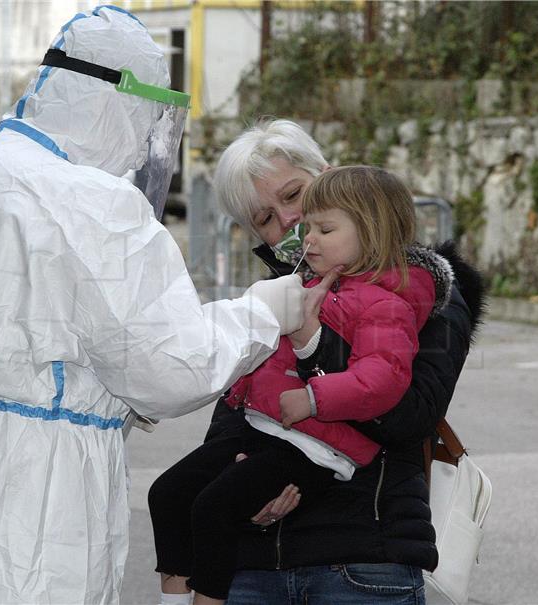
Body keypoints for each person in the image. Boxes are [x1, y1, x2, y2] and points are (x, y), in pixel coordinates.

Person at [0, 8, 307, 605]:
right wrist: (260, 311)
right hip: (28, 508)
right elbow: (170, 369)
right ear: (120, 102)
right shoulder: (88, 201)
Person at [162, 119, 484, 604]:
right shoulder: (271, 297)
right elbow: (234, 410)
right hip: (253, 566)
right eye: (265, 218)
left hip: (361, 559)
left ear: (330, 177)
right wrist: (241, 473)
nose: (289, 221)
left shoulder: (420, 287)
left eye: (295, 195)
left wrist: (311, 339)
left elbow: (408, 414)